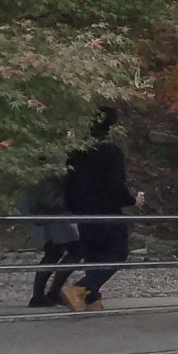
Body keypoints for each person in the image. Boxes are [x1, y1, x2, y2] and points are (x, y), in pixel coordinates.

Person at [59, 108, 139, 311]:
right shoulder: (111, 152)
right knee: (117, 253)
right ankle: (82, 288)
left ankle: (91, 299)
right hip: (106, 210)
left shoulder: (76, 152)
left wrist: (70, 206)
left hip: (82, 210)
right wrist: (131, 201)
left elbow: (68, 180)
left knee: (93, 254)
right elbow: (115, 185)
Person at [21, 173, 80, 308]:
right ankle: (53, 291)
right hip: (57, 215)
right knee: (76, 251)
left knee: (53, 253)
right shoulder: (55, 174)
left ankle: (39, 294)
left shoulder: (39, 174)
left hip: (45, 216)